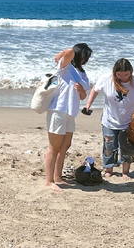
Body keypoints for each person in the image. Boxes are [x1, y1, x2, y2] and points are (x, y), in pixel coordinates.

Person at [83, 58, 134, 180]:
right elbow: (95, 89)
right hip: (109, 120)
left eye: (126, 74)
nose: (123, 77)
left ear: (131, 72)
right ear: (115, 72)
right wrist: (88, 105)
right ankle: (109, 169)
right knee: (109, 146)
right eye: (119, 75)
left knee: (127, 148)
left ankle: (125, 172)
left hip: (130, 122)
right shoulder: (106, 79)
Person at [45, 43, 92, 192]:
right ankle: (49, 180)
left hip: (71, 112)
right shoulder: (65, 66)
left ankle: (58, 177)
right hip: (58, 109)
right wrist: (59, 55)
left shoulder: (82, 74)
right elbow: (69, 51)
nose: (86, 59)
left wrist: (80, 90)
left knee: (65, 147)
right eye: (85, 56)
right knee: (54, 147)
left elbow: (83, 96)